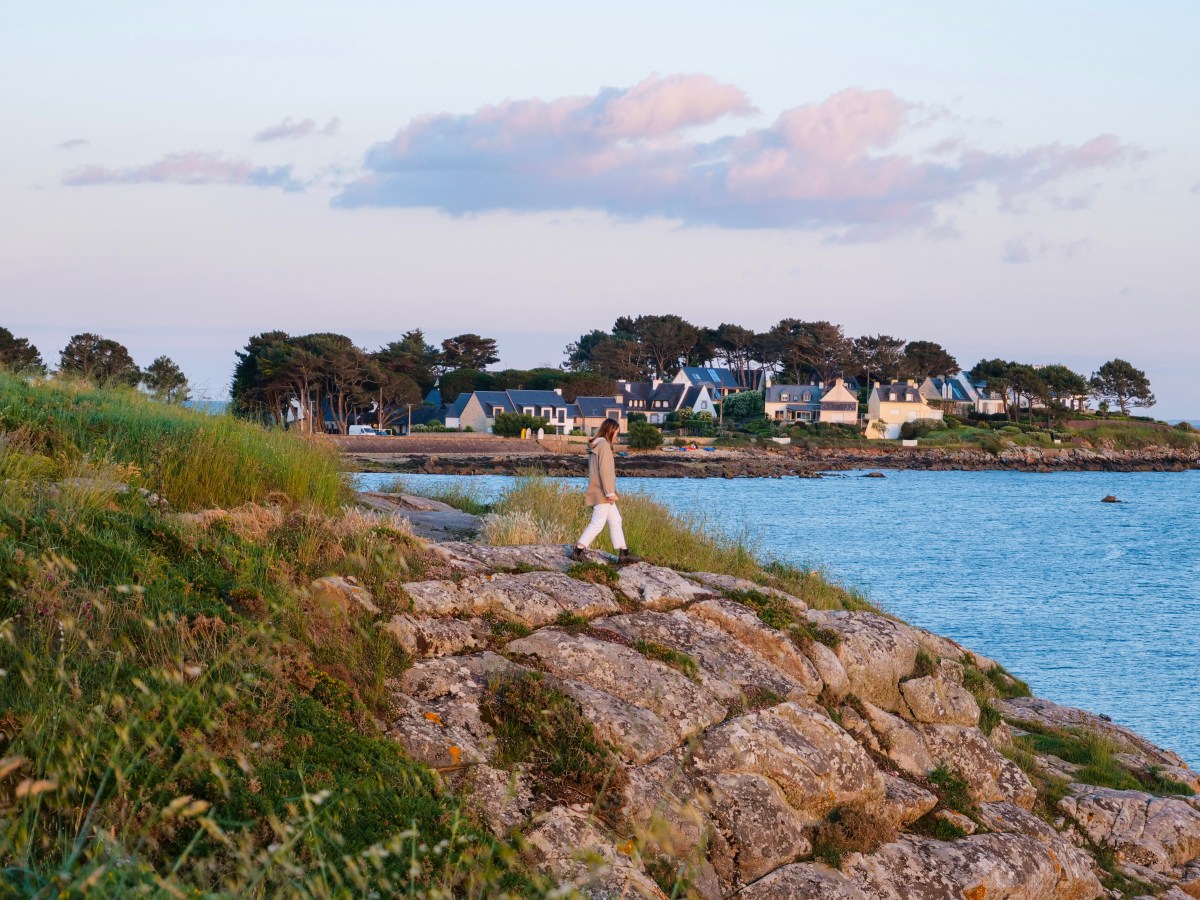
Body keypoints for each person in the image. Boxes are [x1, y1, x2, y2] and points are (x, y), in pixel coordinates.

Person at [572, 418, 642, 565]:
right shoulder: (603, 445)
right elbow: (605, 471)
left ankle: (623, 553)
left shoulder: (597, 444)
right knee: (597, 523)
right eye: (617, 431)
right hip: (602, 492)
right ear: (610, 430)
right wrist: (609, 493)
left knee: (616, 520)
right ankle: (578, 550)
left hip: (600, 490)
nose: (617, 434)